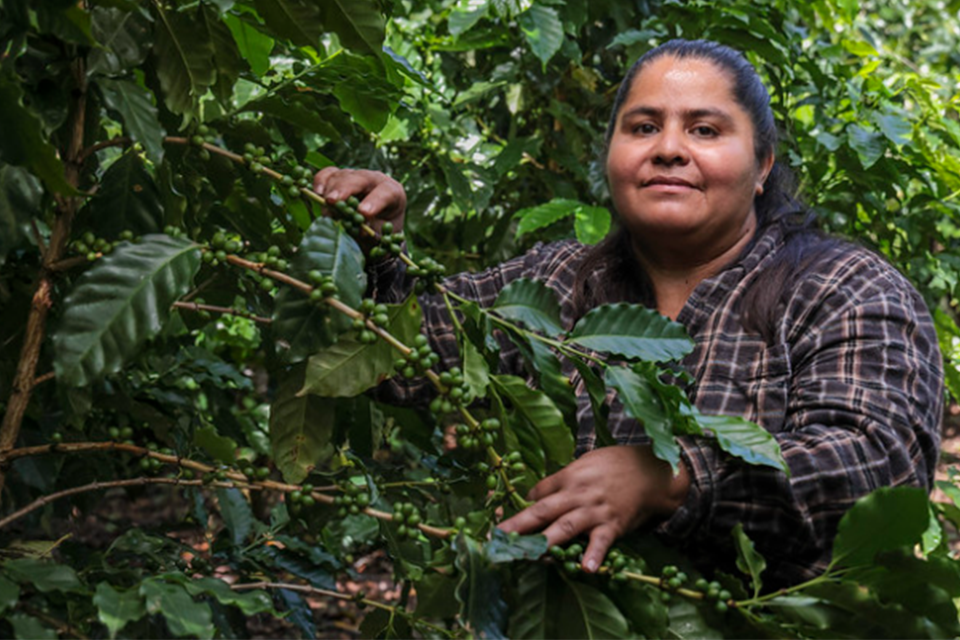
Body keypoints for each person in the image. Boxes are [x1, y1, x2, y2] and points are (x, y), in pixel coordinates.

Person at [313, 39, 943, 586]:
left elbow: (875, 465)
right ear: (611, 155)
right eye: (643, 127)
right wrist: (375, 251)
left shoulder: (844, 287)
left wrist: (674, 478)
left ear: (762, 166)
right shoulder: (554, 281)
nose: (669, 148)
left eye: (705, 129)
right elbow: (403, 360)